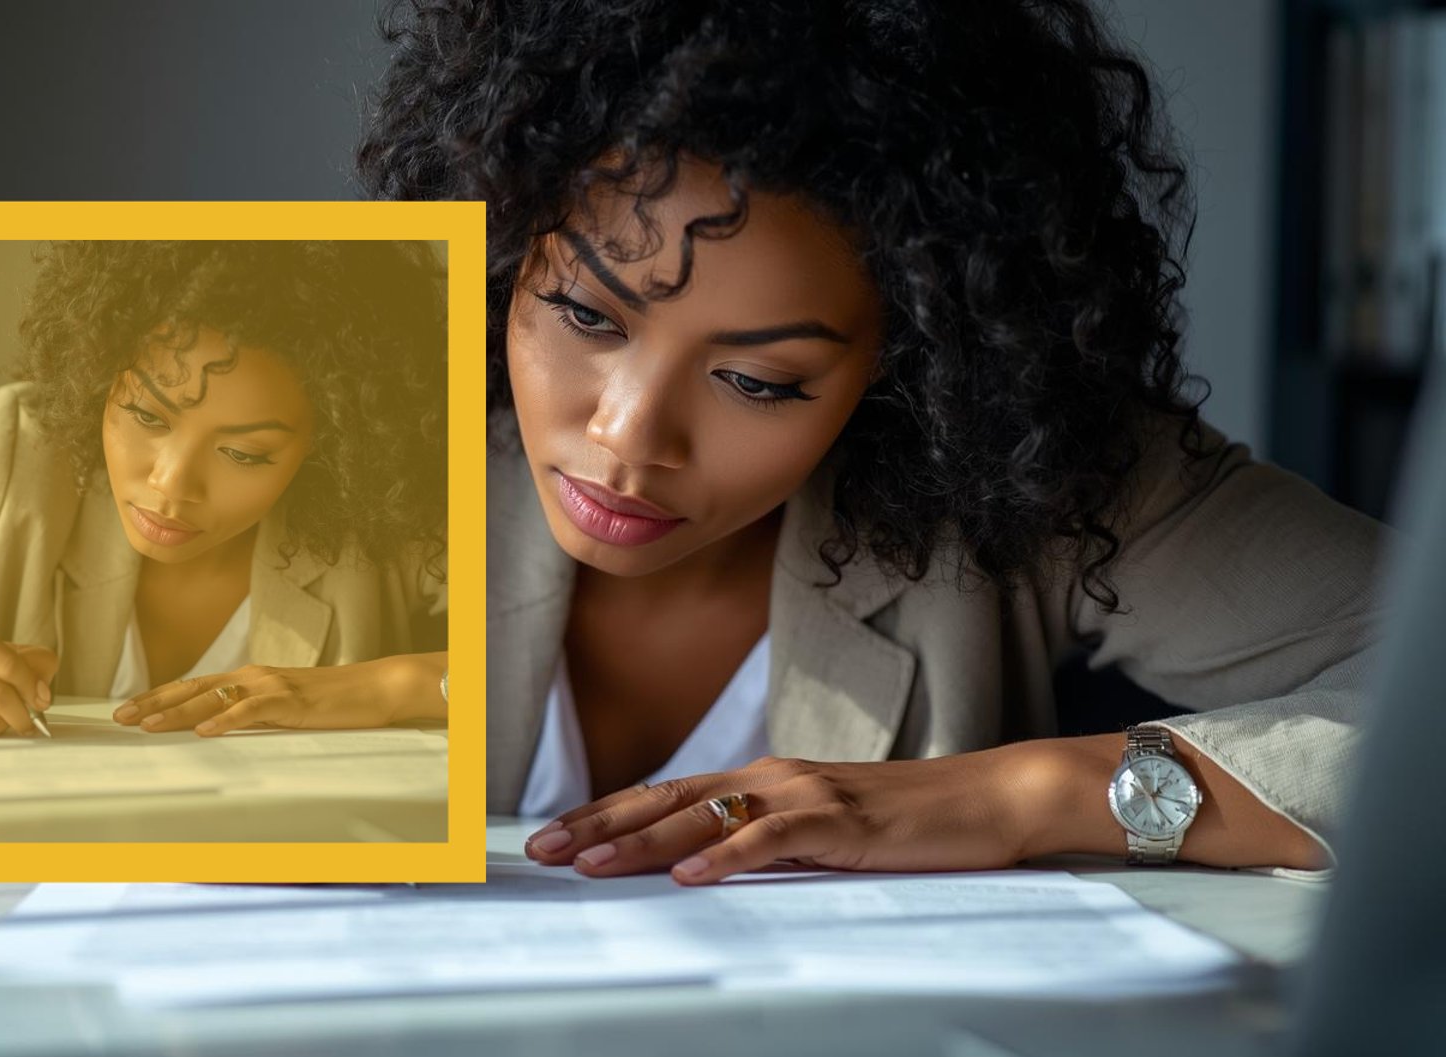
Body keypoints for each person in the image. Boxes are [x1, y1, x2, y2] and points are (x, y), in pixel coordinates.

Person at [358, 0, 1380, 880]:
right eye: (586, 316)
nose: (628, 434)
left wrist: (1021, 793)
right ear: (504, 246)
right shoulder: (311, 426)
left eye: (758, 380)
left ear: (919, 355)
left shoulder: (1037, 468)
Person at [0, 240, 449, 753]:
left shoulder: (389, 509)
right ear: (99, 376)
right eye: (144, 415)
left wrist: (381, 687)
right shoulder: (15, 458)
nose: (170, 484)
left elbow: (532, 675)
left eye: (244, 453)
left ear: (333, 441)